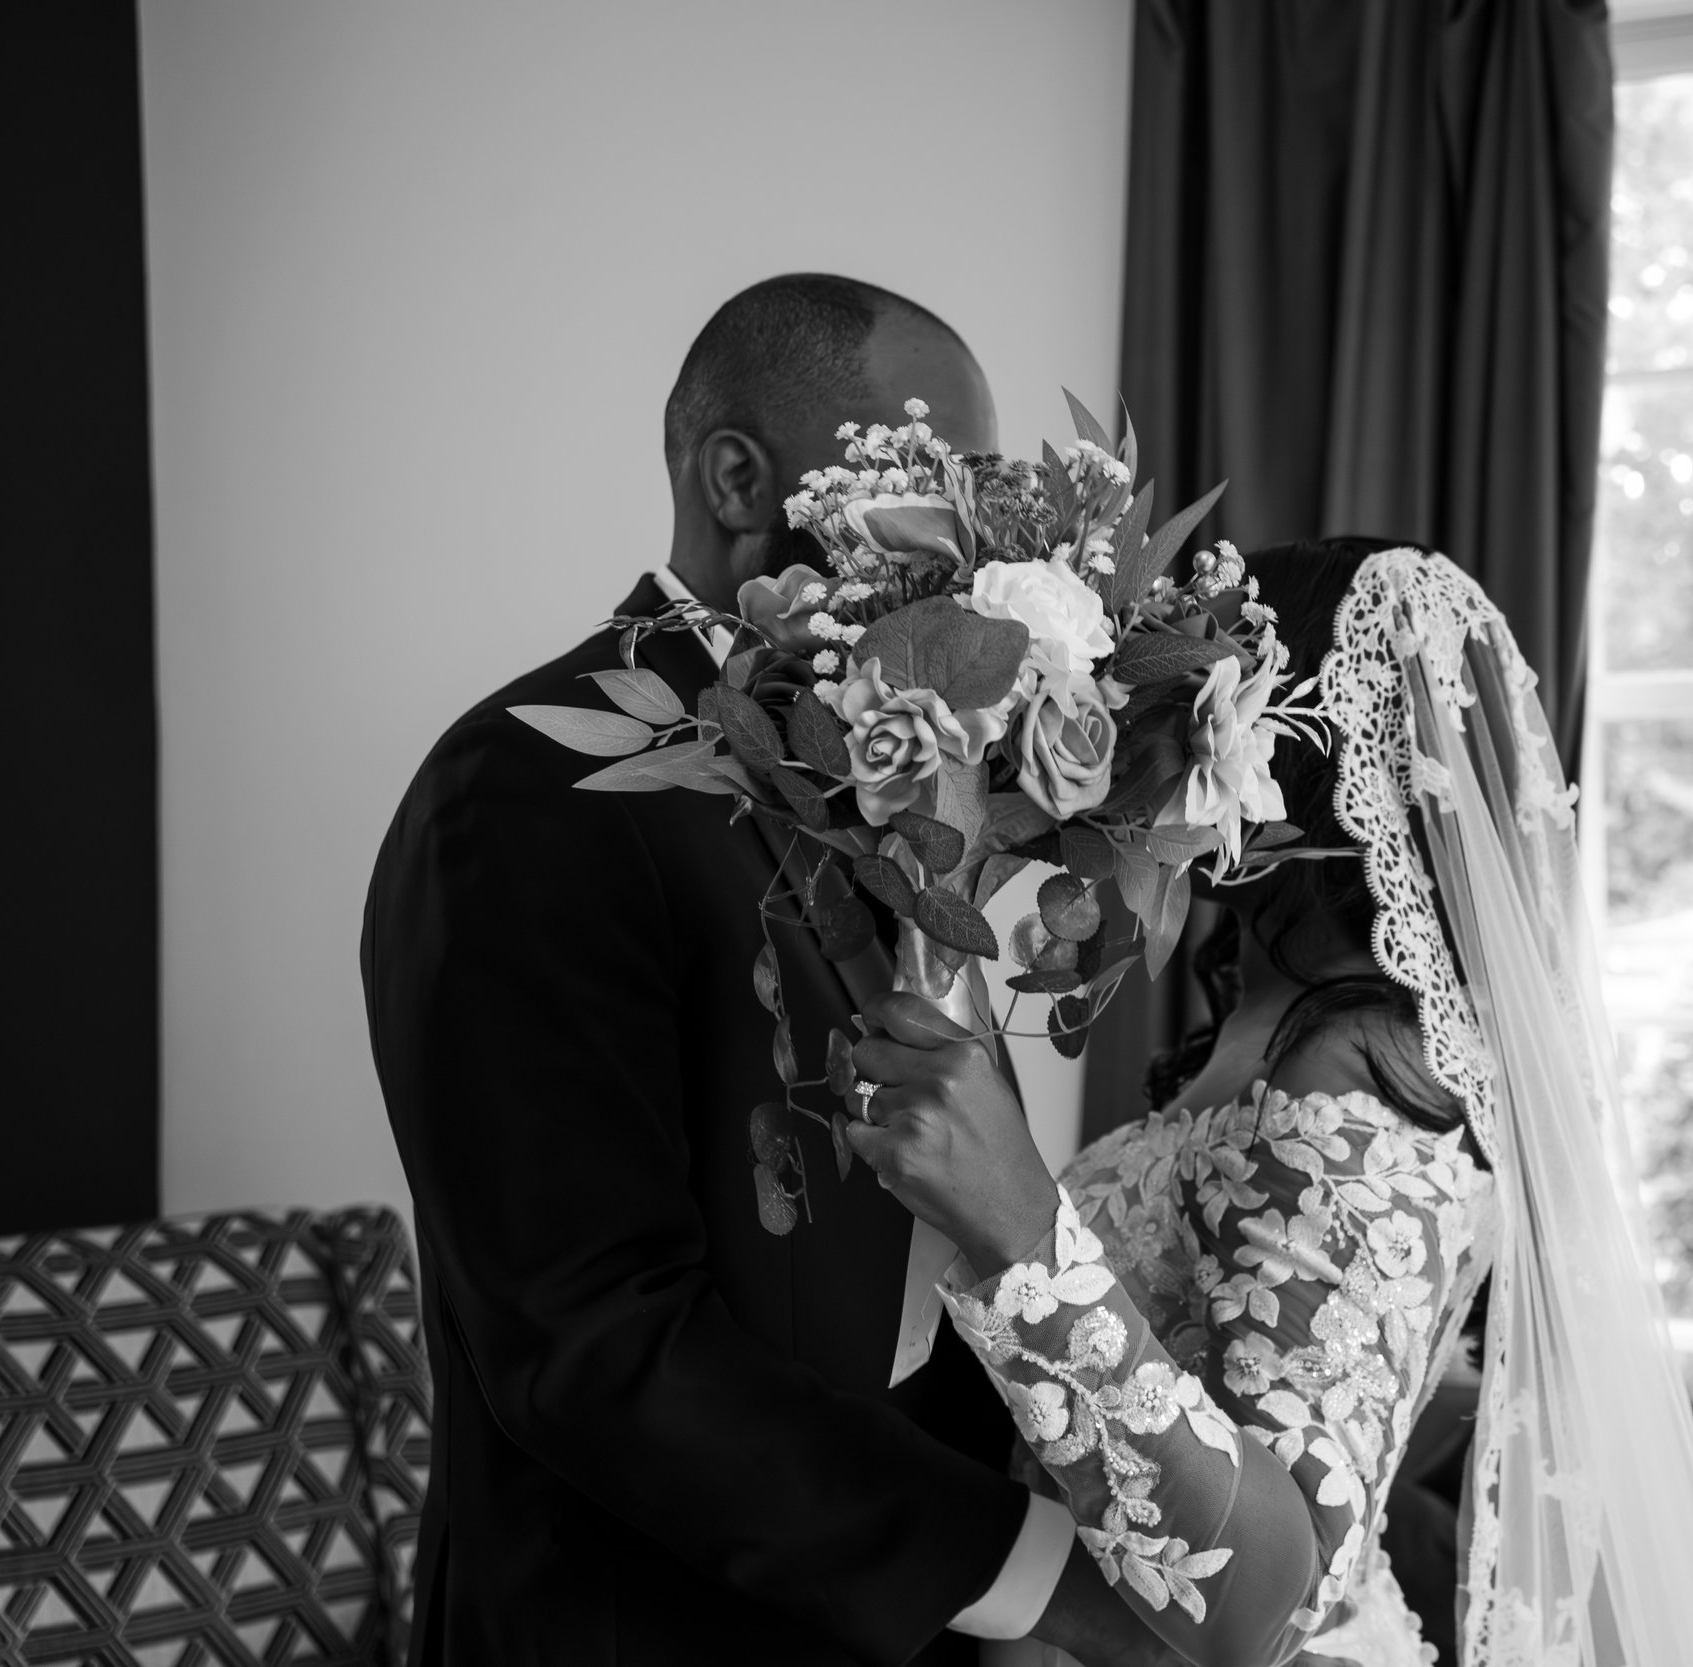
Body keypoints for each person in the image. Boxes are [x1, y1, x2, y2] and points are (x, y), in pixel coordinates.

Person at [361, 274, 1167, 1666]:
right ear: (741, 476)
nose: (968, 546)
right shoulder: (526, 790)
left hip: (907, 1614)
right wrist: (1031, 1575)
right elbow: (595, 1342)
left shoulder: (885, 757)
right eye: (933, 486)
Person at [846, 539, 1693, 1667]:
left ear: (1264, 738)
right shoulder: (1279, 1031)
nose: (1126, 734)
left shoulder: (1345, 1074)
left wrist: (1024, 1230)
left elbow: (1270, 1605)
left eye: (1163, 696)